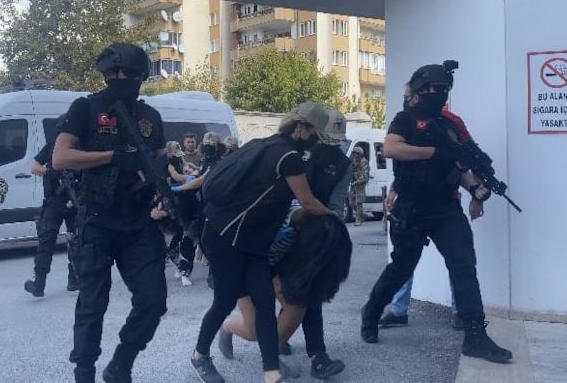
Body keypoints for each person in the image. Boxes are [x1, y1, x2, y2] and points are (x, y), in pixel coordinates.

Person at [359, 60, 512, 364]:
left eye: (442, 89)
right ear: (419, 90)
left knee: (463, 266)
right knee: (401, 269)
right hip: (411, 207)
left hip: (444, 208)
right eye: (432, 89)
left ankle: (475, 336)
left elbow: (460, 167)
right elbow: (391, 149)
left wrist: (476, 189)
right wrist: (434, 152)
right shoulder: (405, 119)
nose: (437, 94)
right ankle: (371, 313)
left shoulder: (451, 125)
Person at [190, 102, 336, 383]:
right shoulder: (289, 157)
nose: (317, 141)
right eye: (316, 134)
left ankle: (271, 373)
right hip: (226, 238)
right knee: (224, 301)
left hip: (252, 240)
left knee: (265, 302)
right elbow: (307, 202)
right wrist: (333, 219)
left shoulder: (264, 143)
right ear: (301, 128)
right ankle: (199, 356)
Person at [53, 42, 168, 383]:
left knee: (153, 300)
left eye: (127, 73)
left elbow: (158, 159)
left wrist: (159, 184)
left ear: (140, 77)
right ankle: (84, 373)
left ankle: (121, 364)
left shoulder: (150, 116)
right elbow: (60, 157)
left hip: (138, 220)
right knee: (93, 305)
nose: (119, 78)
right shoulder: (86, 108)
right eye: (113, 73)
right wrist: (114, 157)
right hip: (97, 219)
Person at [24, 115, 79, 298]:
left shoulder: (79, 149)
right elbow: (34, 167)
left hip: (74, 203)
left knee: (76, 242)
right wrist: (49, 172)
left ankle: (74, 279)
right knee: (46, 241)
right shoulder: (52, 147)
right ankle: (39, 284)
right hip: (53, 203)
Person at [169, 131, 225, 286]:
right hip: (201, 206)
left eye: (211, 145)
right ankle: (186, 269)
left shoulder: (217, 161)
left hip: (214, 207)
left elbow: (202, 180)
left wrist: (179, 188)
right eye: (206, 144)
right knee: (196, 238)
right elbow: (198, 175)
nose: (207, 147)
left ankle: (215, 274)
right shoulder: (205, 159)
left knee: (209, 241)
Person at [349, 146, 370, 225]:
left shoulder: (364, 162)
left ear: (360, 154)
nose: (354, 155)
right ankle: (362, 215)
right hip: (354, 183)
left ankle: (358, 219)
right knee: (351, 202)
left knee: (359, 203)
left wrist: (358, 181)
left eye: (356, 153)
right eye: (354, 153)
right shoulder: (354, 161)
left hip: (360, 185)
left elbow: (365, 175)